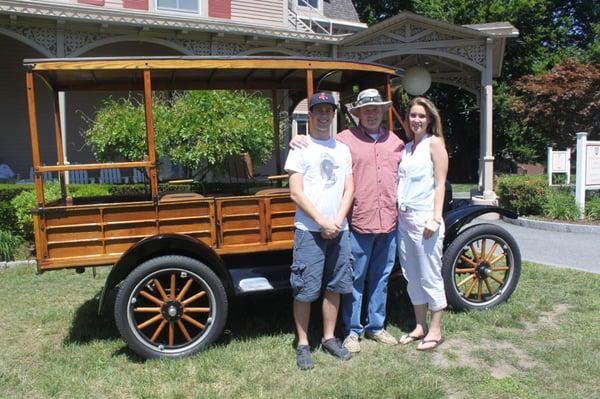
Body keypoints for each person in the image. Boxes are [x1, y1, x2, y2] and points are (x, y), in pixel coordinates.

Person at [290, 88, 404, 353]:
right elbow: (310, 150)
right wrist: (295, 140)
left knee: (381, 277)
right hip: (358, 222)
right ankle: (352, 331)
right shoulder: (345, 140)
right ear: (358, 114)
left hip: (387, 220)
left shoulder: (396, 142)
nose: (372, 113)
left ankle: (376, 326)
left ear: (383, 111)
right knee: (353, 279)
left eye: (376, 108)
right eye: (367, 109)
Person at [284, 91, 355, 370]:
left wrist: (336, 220)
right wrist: (322, 222)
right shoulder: (300, 148)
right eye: (318, 111)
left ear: (333, 115)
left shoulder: (343, 150)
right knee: (304, 289)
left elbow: (350, 188)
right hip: (309, 231)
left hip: (340, 229)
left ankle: (328, 338)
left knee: (335, 287)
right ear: (310, 116)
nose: (324, 116)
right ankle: (302, 344)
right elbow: (296, 193)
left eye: (329, 111)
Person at [396, 97, 448, 351]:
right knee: (411, 276)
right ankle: (420, 325)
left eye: (421, 116)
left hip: (425, 219)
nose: (416, 120)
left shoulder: (434, 144)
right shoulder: (406, 148)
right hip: (403, 220)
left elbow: (440, 184)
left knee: (429, 274)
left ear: (430, 120)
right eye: (413, 115)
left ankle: (436, 330)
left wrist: (435, 218)